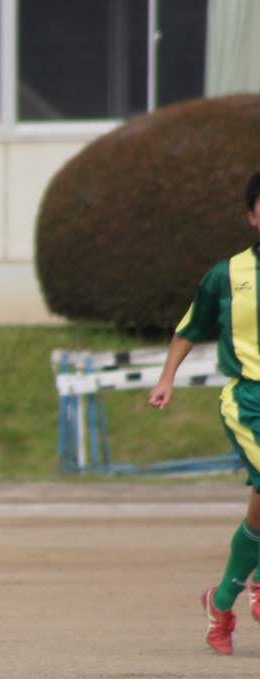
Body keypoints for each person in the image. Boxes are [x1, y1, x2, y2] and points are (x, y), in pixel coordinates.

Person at [150, 171, 260, 654]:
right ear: (251, 216)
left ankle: (221, 602)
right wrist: (166, 378)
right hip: (249, 401)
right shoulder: (226, 276)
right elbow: (190, 328)